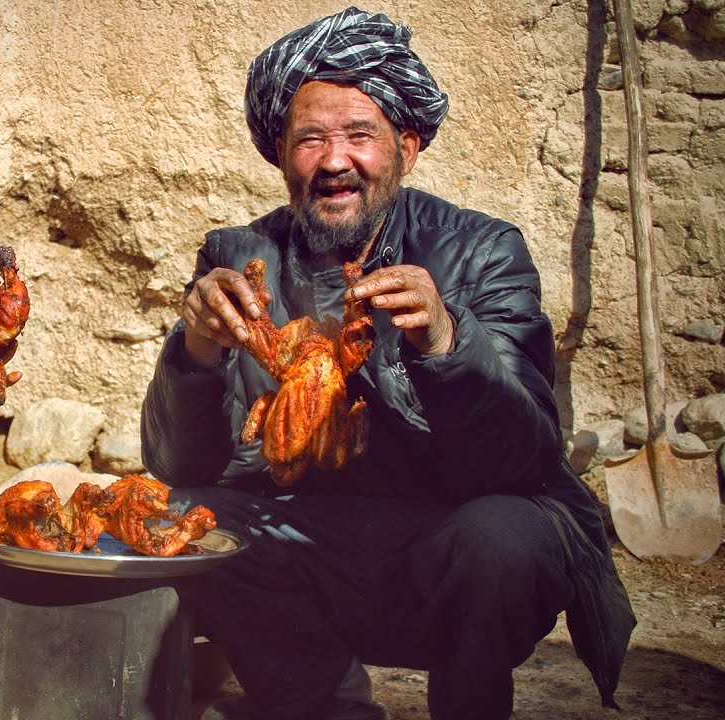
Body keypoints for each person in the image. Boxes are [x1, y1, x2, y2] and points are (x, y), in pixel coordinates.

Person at [141, 8, 635, 720]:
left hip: (446, 546)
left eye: (360, 135)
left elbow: (526, 459)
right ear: (280, 153)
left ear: (406, 146)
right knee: (190, 520)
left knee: (504, 534)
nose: (334, 159)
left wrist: (444, 340)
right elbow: (178, 465)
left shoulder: (481, 251)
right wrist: (196, 350)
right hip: (309, 544)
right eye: (309, 138)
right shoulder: (238, 257)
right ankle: (321, 708)